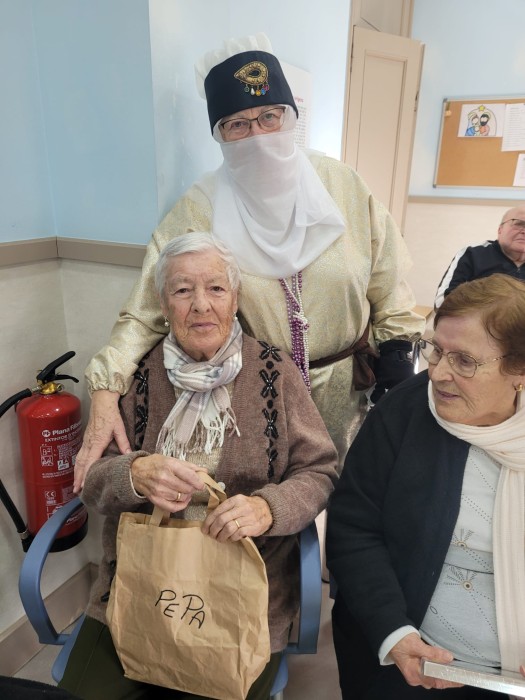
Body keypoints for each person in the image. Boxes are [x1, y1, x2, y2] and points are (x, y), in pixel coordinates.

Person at [75, 32, 424, 488]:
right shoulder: (199, 208)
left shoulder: (343, 187)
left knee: (351, 495)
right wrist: (106, 387)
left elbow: (389, 284)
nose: (257, 136)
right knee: (277, 506)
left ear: (289, 117)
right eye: (237, 125)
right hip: (260, 397)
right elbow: (146, 313)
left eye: (269, 117)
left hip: (350, 389)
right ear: (219, 135)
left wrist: (398, 360)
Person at [58, 233, 339, 700]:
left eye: (216, 288)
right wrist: (134, 474)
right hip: (138, 585)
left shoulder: (275, 372)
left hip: (243, 593)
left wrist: (267, 508)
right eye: (183, 290)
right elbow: (92, 479)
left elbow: (320, 470)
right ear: (163, 305)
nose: (201, 305)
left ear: (235, 299)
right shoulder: (136, 377)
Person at [327, 273, 525, 699]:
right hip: (406, 665)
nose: (438, 373)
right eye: (435, 349)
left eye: (465, 361)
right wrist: (394, 633)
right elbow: (353, 528)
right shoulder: (404, 411)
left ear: (519, 371)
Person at [435, 205, 525, 307]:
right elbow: (442, 303)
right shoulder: (473, 254)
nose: (524, 231)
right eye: (519, 224)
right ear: (500, 230)